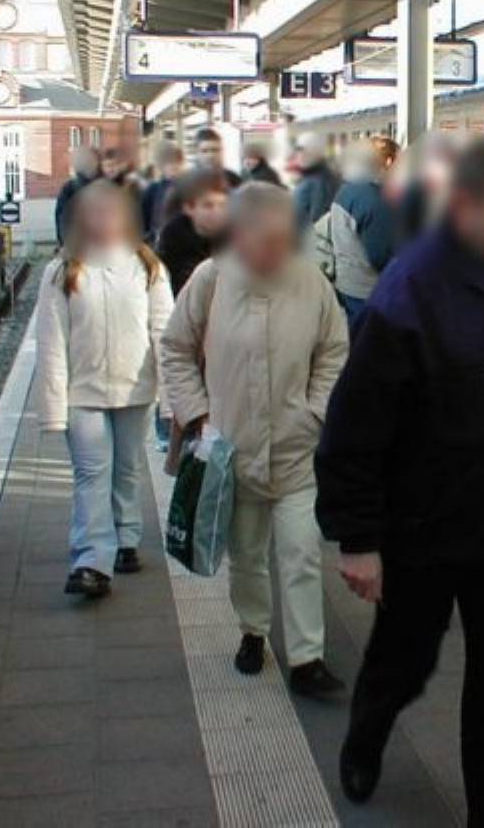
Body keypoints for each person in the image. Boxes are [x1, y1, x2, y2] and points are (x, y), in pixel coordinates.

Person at [315, 137, 484, 824]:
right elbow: (355, 425)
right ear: (464, 208)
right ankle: (368, 729)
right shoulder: (410, 290)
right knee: (405, 659)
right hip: (427, 528)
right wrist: (358, 539)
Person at [160, 182, 350, 696]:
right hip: (233, 449)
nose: (273, 250)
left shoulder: (311, 282)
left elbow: (334, 352)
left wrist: (316, 412)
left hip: (296, 448)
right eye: (262, 239)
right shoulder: (211, 279)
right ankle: (253, 631)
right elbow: (174, 348)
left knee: (301, 552)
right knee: (246, 554)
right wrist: (199, 414)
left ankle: (308, 657)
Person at [35, 181, 174, 598]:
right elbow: (51, 343)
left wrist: (171, 400)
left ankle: (126, 537)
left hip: (135, 391)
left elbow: (164, 333)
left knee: (127, 468)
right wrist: (53, 410)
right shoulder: (62, 271)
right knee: (91, 473)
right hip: (83, 393)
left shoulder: (148, 267)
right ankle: (92, 560)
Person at [329, 142, 397, 323]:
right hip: (368, 288)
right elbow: (380, 255)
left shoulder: (345, 191)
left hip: (347, 281)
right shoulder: (373, 200)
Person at [156, 168, 229, 295]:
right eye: (208, 206)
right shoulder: (174, 243)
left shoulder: (234, 239)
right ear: (189, 208)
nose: (217, 212)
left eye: (222, 205)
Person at [291, 131, 340, 233]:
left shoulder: (319, 182)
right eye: (298, 151)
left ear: (316, 153)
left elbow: (317, 220)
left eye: (304, 152)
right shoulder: (308, 178)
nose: (299, 156)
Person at [54, 145, 101, 245]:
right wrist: (63, 242)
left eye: (92, 160)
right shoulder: (70, 187)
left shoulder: (106, 185)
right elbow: (61, 217)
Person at [141, 142, 184, 240]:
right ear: (162, 166)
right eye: (169, 163)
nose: (174, 166)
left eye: (177, 162)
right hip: (158, 239)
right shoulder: (153, 189)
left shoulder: (188, 187)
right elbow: (145, 218)